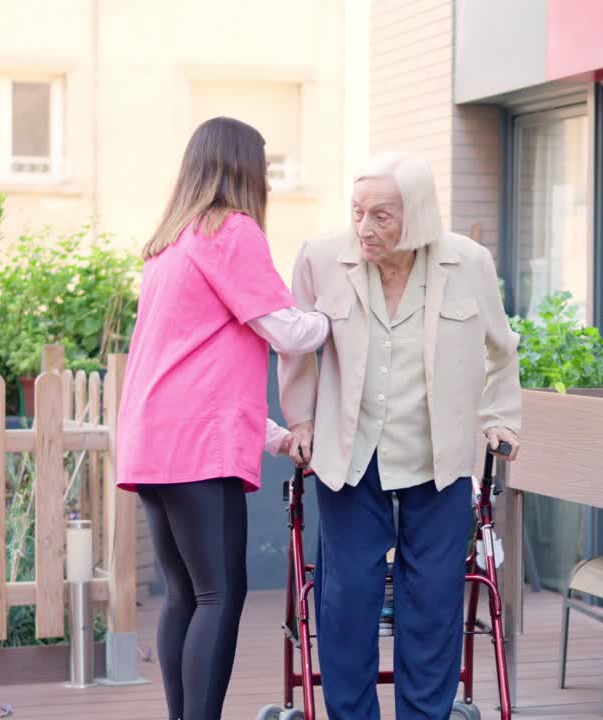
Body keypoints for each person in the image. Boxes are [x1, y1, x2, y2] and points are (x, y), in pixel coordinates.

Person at [279, 151, 522, 719]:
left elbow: (501, 350)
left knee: (433, 600)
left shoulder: (468, 263)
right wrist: (301, 422)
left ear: (417, 214)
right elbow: (297, 353)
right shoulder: (320, 258)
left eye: (381, 216)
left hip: (439, 455)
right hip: (350, 455)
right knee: (347, 600)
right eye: (358, 212)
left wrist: (500, 417)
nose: (365, 227)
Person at [116, 116, 330, 720]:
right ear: (243, 169)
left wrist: (275, 437)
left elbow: (193, 371)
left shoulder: (169, 246)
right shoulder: (228, 232)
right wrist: (340, 315)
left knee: (185, 594)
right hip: (193, 451)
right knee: (220, 593)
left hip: (154, 444)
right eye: (263, 168)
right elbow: (287, 329)